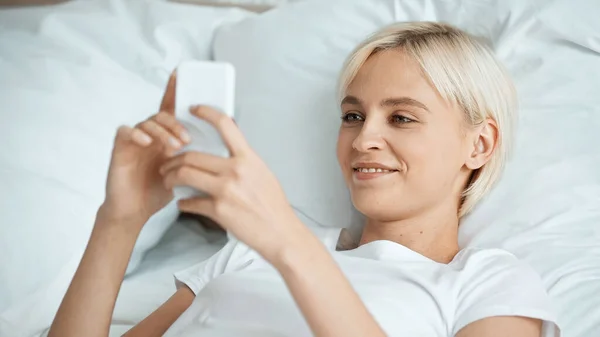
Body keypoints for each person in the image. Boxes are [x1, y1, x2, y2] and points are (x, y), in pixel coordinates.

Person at [48, 22, 559, 337]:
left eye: (401, 118)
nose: (362, 141)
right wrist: (118, 221)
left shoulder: (488, 281)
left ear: (480, 144)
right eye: (353, 116)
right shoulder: (247, 251)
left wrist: (288, 243)